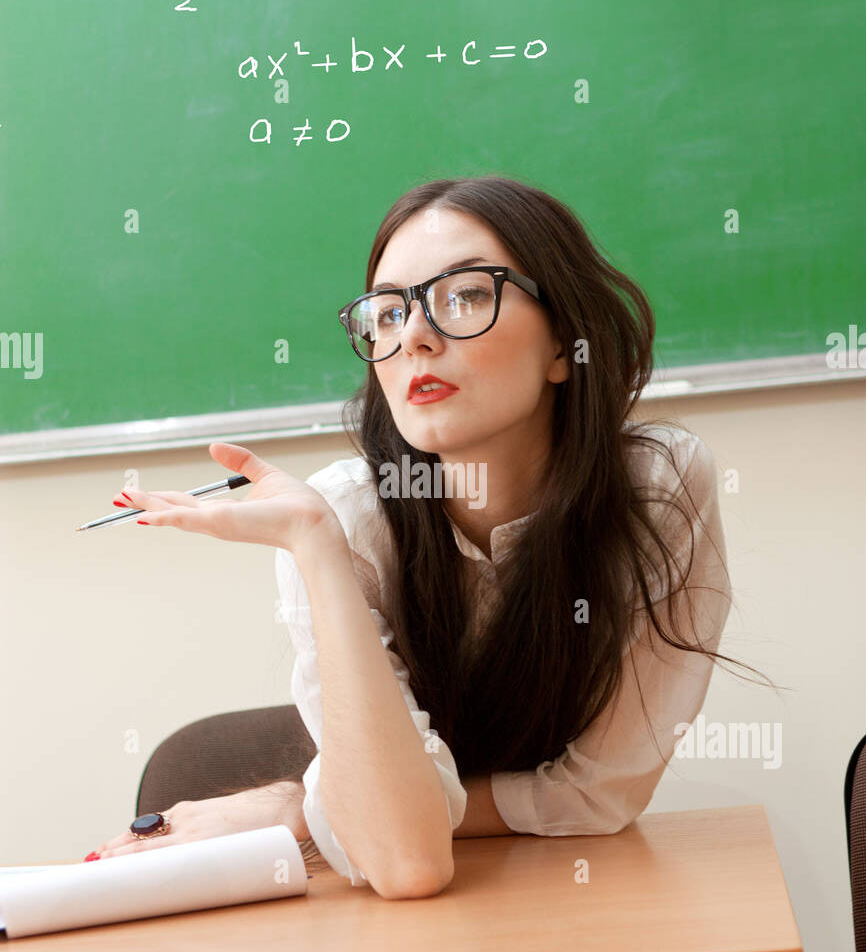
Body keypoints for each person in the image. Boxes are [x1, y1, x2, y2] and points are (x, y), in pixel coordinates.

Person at [89, 175, 756, 900]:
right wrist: (315, 540)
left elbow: (600, 795)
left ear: (566, 345)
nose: (413, 336)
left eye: (466, 295)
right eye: (387, 312)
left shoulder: (657, 487)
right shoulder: (344, 514)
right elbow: (408, 865)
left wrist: (303, 808)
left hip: (573, 902)